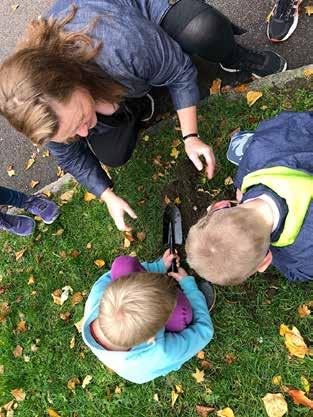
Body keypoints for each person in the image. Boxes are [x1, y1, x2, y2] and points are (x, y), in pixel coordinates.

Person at [0, 1, 287, 232]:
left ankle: (233, 55)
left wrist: (190, 137)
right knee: (111, 153)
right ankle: (140, 99)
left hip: (139, 20)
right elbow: (70, 156)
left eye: (81, 120)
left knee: (203, 30)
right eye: (74, 132)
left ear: (70, 79)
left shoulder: (119, 46)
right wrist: (107, 195)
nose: (85, 134)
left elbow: (180, 71)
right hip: (110, 78)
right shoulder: (41, 110)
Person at [185, 111, 313, 284]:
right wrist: (244, 184)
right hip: (282, 146)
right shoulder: (261, 149)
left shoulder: (303, 257)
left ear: (265, 261)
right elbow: (301, 122)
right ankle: (245, 144)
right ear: (219, 205)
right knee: (256, 152)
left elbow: (301, 273)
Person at [82, 249, 214, 383]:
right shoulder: (162, 353)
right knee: (182, 314)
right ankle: (194, 304)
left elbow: (111, 275)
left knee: (123, 265)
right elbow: (204, 331)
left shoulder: (98, 294)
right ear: (153, 336)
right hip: (155, 356)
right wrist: (190, 287)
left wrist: (159, 266)